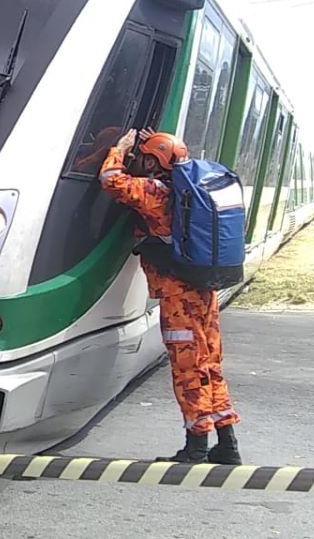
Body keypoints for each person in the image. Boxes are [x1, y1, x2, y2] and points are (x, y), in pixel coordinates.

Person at [99, 128, 242, 465]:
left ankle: (195, 446)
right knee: (210, 366)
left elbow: (110, 180)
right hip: (204, 292)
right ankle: (227, 444)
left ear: (154, 162)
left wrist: (119, 150)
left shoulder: (155, 191)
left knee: (187, 369)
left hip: (178, 299)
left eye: (145, 157)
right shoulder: (187, 193)